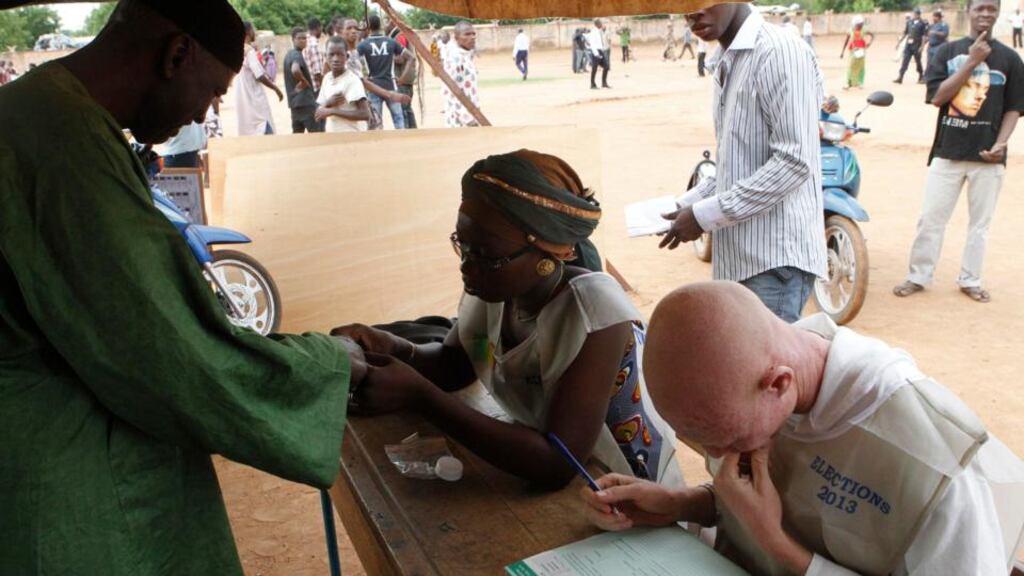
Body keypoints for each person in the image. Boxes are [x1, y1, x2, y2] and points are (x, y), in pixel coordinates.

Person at [0, 1, 369, 573]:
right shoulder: (62, 141)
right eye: (213, 91)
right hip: (63, 474)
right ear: (177, 54)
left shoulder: (36, 112)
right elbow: (160, 341)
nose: (207, 110)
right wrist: (330, 365)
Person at [581, 282, 1024, 575]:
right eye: (705, 445)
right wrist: (682, 503)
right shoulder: (755, 376)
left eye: (732, 442)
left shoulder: (936, 465)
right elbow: (779, 499)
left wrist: (777, 544)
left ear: (779, 384)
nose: (724, 454)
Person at [333, 150, 683, 489]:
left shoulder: (595, 313)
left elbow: (558, 463)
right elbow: (457, 363)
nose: (467, 265)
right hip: (554, 478)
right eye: (463, 245)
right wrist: (392, 346)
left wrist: (420, 397)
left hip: (628, 494)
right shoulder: (493, 290)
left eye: (486, 255)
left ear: (545, 255)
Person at [661, 2, 826, 323]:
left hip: (774, 261)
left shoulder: (779, 52)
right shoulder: (726, 61)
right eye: (683, 5)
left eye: (703, 2)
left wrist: (704, 215)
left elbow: (793, 161)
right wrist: (684, 206)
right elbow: (734, 165)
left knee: (763, 371)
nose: (693, 13)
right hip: (741, 257)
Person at [894, 0, 1024, 304]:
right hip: (948, 152)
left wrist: (1002, 143)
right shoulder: (947, 52)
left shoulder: (1011, 59)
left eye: (992, 9)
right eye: (980, 8)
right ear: (969, 11)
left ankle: (971, 279)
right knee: (930, 219)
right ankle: (918, 275)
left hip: (989, 158)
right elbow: (938, 97)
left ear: (998, 13)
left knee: (980, 225)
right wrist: (971, 62)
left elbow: (1015, 108)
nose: (986, 14)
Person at [341, 17, 410, 131]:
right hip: (390, 85)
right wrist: (402, 78)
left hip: (373, 87)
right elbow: (411, 58)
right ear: (380, 25)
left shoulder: (363, 45)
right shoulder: (391, 42)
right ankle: (402, 145)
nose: (354, 31)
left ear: (367, 28)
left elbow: (358, 71)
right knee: (399, 120)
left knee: (376, 123)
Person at [316, 36, 370, 133]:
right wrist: (328, 103)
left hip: (352, 135)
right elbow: (319, 113)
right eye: (331, 54)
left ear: (347, 57)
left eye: (340, 55)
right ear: (325, 56)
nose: (335, 59)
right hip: (333, 134)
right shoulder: (327, 78)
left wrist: (333, 111)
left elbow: (365, 114)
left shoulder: (352, 80)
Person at [237, 21, 282, 135]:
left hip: (244, 100)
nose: (255, 33)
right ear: (247, 32)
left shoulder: (238, 50)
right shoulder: (249, 52)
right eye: (253, 30)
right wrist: (275, 88)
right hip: (255, 101)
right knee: (264, 131)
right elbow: (259, 75)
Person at [442, 21, 480, 128]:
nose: (472, 37)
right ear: (456, 38)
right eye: (467, 34)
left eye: (473, 34)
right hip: (460, 121)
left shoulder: (465, 56)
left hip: (472, 115)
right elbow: (449, 91)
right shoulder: (454, 58)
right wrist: (467, 119)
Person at [284, 26, 321, 134]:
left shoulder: (288, 55)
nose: (303, 41)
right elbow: (295, 70)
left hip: (294, 104)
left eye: (304, 38)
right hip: (306, 103)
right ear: (293, 39)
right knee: (315, 135)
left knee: (297, 136)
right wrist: (304, 82)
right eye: (299, 38)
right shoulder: (297, 55)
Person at [387, 17, 419, 129]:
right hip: (407, 78)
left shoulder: (399, 36)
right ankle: (413, 132)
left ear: (391, 22)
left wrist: (386, 57)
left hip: (402, 78)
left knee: (403, 109)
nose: (384, 26)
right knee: (407, 108)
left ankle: (406, 134)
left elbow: (401, 59)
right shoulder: (404, 34)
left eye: (386, 22)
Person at [840, 17, 874, 90]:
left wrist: (869, 43)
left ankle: (860, 82)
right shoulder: (850, 30)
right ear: (855, 24)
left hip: (862, 49)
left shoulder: (864, 30)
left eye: (861, 24)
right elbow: (846, 41)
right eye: (859, 24)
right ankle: (848, 83)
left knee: (861, 66)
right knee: (850, 66)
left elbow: (872, 35)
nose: (861, 26)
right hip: (853, 49)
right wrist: (842, 52)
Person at [895, 8, 928, 84]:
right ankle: (900, 76)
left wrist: (922, 46)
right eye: (914, 13)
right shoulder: (909, 22)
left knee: (918, 61)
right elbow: (905, 33)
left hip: (917, 45)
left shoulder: (922, 23)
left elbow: (924, 36)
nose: (915, 15)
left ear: (919, 15)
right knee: (905, 61)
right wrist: (899, 42)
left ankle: (921, 75)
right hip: (908, 45)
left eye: (917, 14)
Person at [587, 19, 611, 89]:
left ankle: (604, 83)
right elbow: (592, 44)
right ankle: (592, 84)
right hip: (596, 52)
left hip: (600, 51)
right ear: (597, 24)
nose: (602, 24)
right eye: (601, 23)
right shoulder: (593, 32)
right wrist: (596, 54)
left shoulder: (598, 31)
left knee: (606, 66)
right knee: (594, 68)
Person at [304, 17, 325, 92]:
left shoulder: (304, 41)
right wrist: (325, 89)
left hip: (308, 86)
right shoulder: (314, 44)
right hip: (317, 87)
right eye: (321, 28)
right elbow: (317, 72)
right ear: (318, 28)